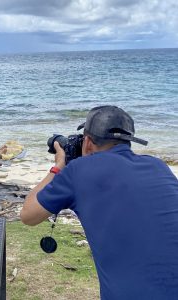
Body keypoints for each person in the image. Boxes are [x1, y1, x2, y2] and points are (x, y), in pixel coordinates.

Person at [20, 105, 178, 300]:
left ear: (87, 142)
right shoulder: (158, 166)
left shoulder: (78, 170)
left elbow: (28, 215)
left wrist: (59, 165)